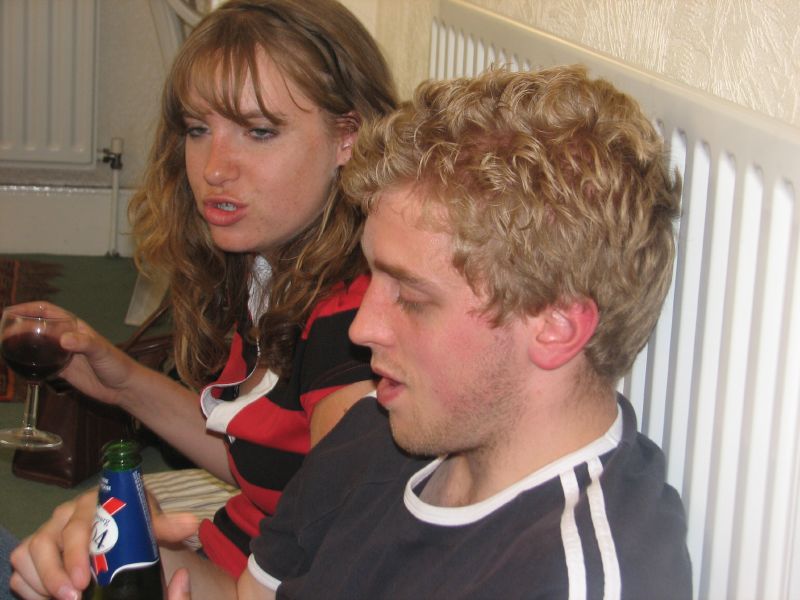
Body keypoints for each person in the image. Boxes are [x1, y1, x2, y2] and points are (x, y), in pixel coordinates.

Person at [8, 0, 395, 597]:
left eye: (259, 132)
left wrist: (140, 563)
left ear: (349, 137)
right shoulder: (273, 263)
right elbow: (266, 461)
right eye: (197, 129)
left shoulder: (352, 326)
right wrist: (122, 382)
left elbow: (319, 571)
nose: (214, 167)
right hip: (217, 550)